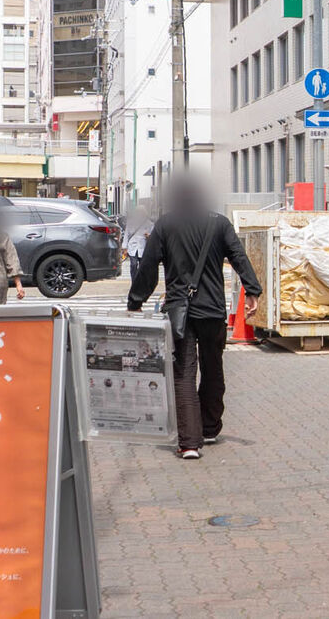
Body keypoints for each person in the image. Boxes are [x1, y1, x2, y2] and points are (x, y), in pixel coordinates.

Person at [128, 175, 262, 460]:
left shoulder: (166, 224)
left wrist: (135, 301)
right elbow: (239, 257)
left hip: (181, 312)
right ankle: (210, 427)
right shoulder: (219, 223)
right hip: (213, 310)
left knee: (184, 373)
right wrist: (252, 291)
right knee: (213, 369)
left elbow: (148, 267)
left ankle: (189, 442)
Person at [122, 208, 152, 282]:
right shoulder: (131, 222)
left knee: (142, 266)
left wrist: (149, 236)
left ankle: (140, 282)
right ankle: (134, 281)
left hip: (143, 247)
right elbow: (126, 235)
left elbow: (153, 235)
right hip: (132, 247)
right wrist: (124, 248)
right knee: (133, 264)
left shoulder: (149, 224)